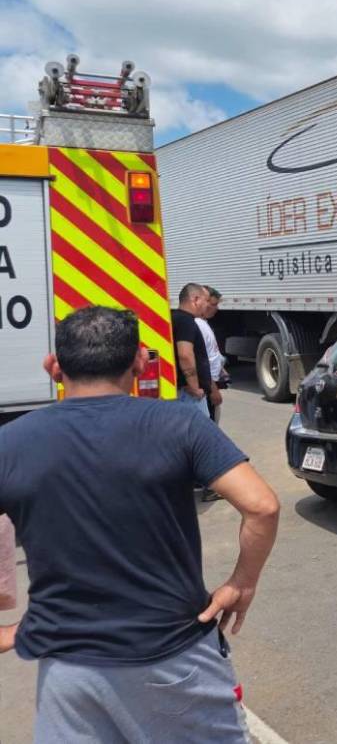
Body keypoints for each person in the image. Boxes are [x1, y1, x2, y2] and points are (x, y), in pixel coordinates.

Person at [0, 306, 280, 742]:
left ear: (54, 367)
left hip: (66, 672)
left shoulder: (9, 442)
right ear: (139, 363)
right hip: (173, 658)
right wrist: (242, 583)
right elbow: (262, 506)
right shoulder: (179, 423)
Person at [173, 283, 213, 418]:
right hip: (190, 396)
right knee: (201, 436)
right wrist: (195, 388)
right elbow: (185, 355)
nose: (207, 305)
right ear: (195, 300)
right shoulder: (186, 321)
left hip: (183, 391)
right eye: (206, 300)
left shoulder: (175, 317)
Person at [196, 286, 227, 424]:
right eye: (213, 304)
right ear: (203, 302)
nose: (217, 308)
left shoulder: (203, 324)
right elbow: (203, 362)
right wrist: (213, 390)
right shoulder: (199, 325)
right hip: (207, 389)